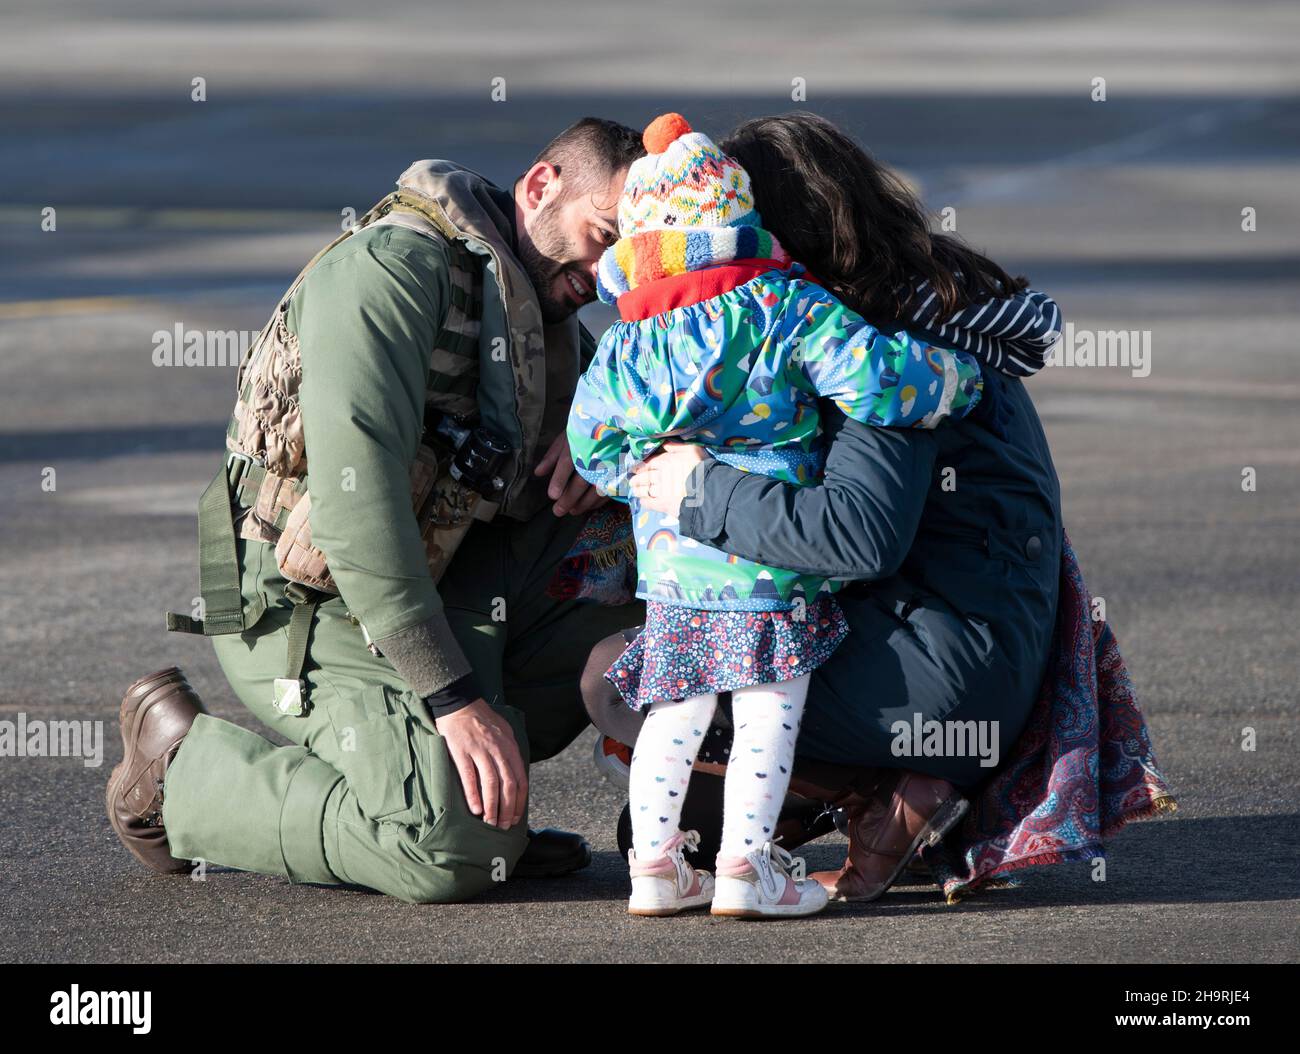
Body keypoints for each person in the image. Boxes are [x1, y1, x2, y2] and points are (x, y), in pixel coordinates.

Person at [106, 118, 650, 903]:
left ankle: (431, 790)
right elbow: (354, 513)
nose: (609, 273)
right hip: (310, 607)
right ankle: (180, 773)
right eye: (603, 236)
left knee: (645, 545)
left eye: (629, 256)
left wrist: (612, 448)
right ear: (541, 187)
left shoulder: (542, 317)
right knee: (450, 851)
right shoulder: (393, 274)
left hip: (448, 587)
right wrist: (454, 699)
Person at [582, 111, 1068, 902]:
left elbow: (857, 534)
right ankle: (860, 788)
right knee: (658, 828)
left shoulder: (879, 342)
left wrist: (695, 489)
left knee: (617, 679)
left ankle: (892, 787)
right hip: (960, 634)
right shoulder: (916, 308)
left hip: (945, 672)